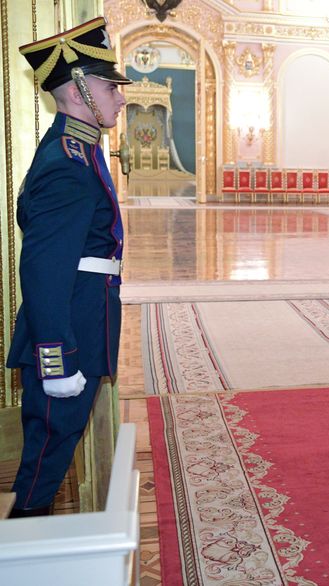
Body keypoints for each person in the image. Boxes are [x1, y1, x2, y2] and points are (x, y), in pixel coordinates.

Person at [6, 17, 130, 517]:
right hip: (67, 334)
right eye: (109, 87)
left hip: (82, 321)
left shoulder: (80, 151)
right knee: (45, 463)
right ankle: (16, 554)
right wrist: (55, 360)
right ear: (78, 90)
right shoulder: (67, 164)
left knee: (52, 454)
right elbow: (42, 270)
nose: (121, 98)